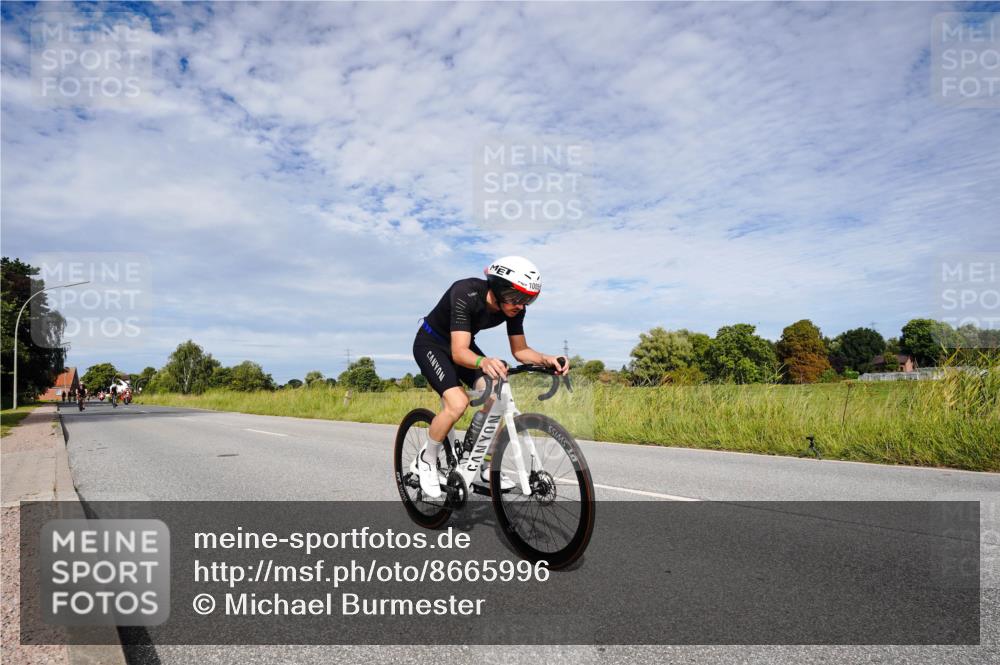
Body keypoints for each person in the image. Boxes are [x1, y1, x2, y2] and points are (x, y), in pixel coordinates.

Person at [411, 256, 569, 498]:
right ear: (497, 287)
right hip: (431, 344)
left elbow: (520, 351)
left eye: (528, 299)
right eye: (517, 297)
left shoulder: (514, 307)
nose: (521, 306)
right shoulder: (465, 292)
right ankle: (426, 459)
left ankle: (485, 463)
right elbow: (459, 352)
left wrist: (546, 359)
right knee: (457, 403)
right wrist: (483, 361)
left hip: (462, 346)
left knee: (498, 393)